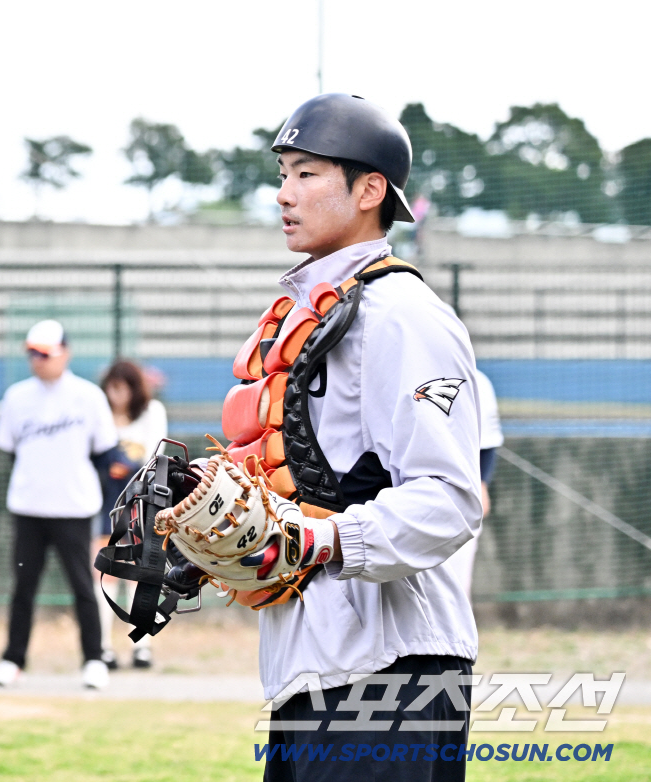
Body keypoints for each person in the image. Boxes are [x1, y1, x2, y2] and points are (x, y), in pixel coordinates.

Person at [241, 94, 482, 781]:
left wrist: (320, 539)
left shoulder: (401, 314)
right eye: (283, 174)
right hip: (314, 668)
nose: (284, 193)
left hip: (394, 672)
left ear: (370, 190)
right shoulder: (315, 312)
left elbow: (448, 499)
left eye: (306, 174)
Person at [0, 320, 118, 690]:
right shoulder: (16, 397)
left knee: (83, 586)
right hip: (28, 508)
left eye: (44, 354)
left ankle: (94, 659)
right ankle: (13, 660)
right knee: (23, 587)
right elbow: (10, 449)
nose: (37, 360)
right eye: (32, 353)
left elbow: (104, 452)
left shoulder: (88, 397)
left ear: (65, 353)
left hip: (74, 509)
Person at [95, 359, 167, 669]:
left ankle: (142, 646)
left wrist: (126, 466)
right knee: (105, 571)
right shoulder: (99, 416)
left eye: (123, 388)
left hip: (141, 502)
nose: (117, 395)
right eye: (112, 388)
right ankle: (102, 647)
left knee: (140, 572)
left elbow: (154, 457)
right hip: (105, 503)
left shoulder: (152, 412)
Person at [445, 367, 503, 597]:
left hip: (459, 499)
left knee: (456, 591)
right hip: (404, 494)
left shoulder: (476, 380)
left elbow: (487, 442)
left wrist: (482, 485)